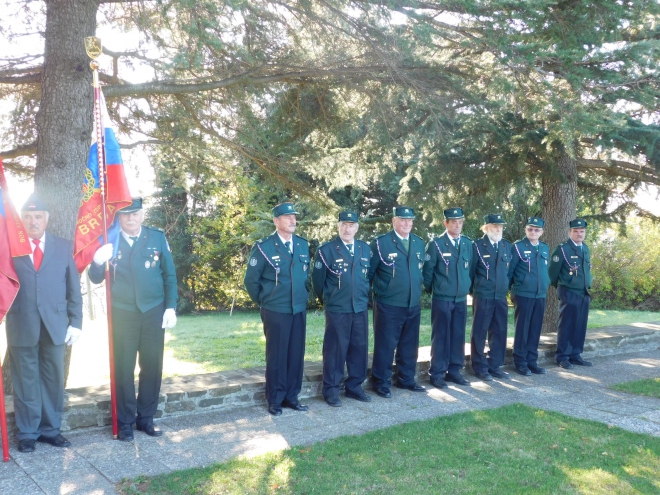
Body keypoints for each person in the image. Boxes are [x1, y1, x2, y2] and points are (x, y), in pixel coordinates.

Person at [90, 198, 178, 441]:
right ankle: (125, 421)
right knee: (123, 368)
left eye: (135, 214)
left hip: (153, 311)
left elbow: (169, 274)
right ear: (119, 217)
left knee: (152, 366)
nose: (130, 218)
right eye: (125, 215)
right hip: (123, 312)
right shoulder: (110, 238)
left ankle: (146, 418)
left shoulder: (157, 237)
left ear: (142, 215)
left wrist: (170, 306)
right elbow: (96, 278)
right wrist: (97, 261)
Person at [6, 194, 83, 453]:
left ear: (46, 219)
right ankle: (28, 432)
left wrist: (77, 322)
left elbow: (73, 287)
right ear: (21, 221)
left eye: (38, 216)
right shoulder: (9, 247)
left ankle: (51, 430)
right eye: (27, 217)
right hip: (21, 323)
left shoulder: (62, 246)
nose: (33, 221)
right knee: (26, 380)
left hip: (55, 323)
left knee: (53, 379)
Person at [244, 202, 311, 416]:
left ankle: (292, 396)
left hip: (298, 308)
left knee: (296, 354)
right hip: (275, 309)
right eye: (287, 217)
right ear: (276, 221)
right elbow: (251, 281)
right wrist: (266, 300)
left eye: (294, 217)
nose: (292, 220)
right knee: (277, 355)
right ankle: (275, 399)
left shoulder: (302, 245)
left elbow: (305, 277)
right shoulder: (264, 247)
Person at [312, 211, 372, 407]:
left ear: (357, 227)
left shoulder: (364, 249)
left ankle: (355, 387)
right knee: (335, 350)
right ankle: (331, 391)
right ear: (338, 226)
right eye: (344, 225)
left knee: (359, 349)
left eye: (351, 225)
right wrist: (330, 300)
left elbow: (367, 277)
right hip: (338, 308)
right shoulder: (327, 250)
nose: (348, 229)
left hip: (360, 307)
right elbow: (318, 283)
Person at [368, 206, 425, 398]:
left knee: (409, 345)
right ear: (394, 221)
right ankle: (381, 382)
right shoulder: (381, 243)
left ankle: (406, 379)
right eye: (403, 220)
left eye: (410, 220)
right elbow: (369, 273)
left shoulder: (418, 243)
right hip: (388, 304)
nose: (407, 223)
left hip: (412, 303)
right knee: (385, 345)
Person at [423, 207, 472, 388]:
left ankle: (454, 371)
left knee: (458, 336)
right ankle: (436, 373)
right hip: (442, 299)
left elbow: (471, 270)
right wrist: (436, 289)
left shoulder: (467, 244)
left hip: (460, 299)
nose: (457, 225)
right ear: (446, 223)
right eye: (453, 222)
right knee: (441, 336)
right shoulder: (436, 245)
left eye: (460, 222)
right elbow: (427, 273)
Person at [469, 214, 512, 381]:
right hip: (483, 295)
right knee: (479, 331)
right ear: (486, 227)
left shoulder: (506, 246)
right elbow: (471, 272)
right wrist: (476, 290)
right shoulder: (477, 247)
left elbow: (509, 272)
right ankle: (479, 367)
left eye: (501, 226)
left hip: (501, 296)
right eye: (495, 226)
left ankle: (495, 365)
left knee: (500, 331)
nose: (498, 229)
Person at [548, 218, 594, 369]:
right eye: (576, 231)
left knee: (580, 324)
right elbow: (552, 273)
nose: (579, 234)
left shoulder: (585, 249)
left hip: (584, 292)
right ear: (570, 232)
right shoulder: (562, 249)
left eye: (582, 231)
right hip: (569, 291)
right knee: (567, 324)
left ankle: (575, 354)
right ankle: (562, 356)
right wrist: (562, 285)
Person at [508, 216, 550, 376]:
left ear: (542, 232)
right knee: (522, 329)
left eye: (537, 230)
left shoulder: (544, 248)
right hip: (523, 294)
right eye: (530, 229)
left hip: (540, 295)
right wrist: (514, 289)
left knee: (535, 329)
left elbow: (546, 270)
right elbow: (510, 271)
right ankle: (520, 362)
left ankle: (532, 361)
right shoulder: (518, 247)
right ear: (526, 230)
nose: (533, 232)